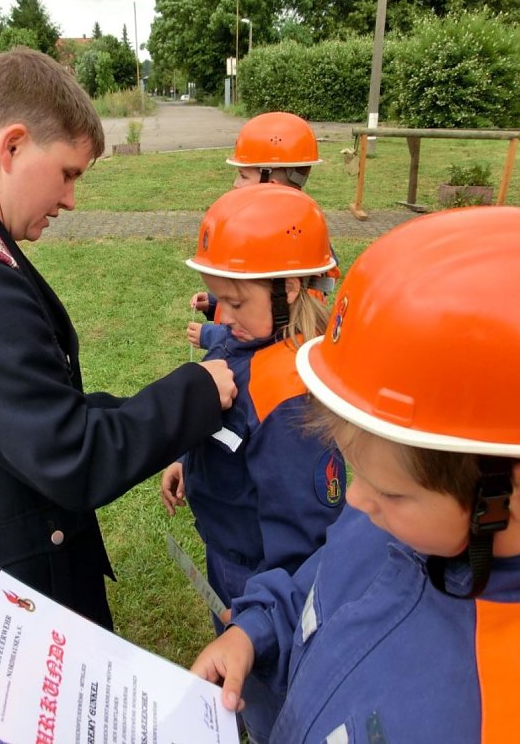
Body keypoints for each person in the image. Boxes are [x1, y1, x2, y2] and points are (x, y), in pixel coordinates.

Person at [0, 47, 236, 713]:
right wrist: (197, 392)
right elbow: (70, 452)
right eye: (67, 173)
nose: (72, 198)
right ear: (11, 147)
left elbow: (30, 408)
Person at [191, 206, 520, 744]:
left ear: (502, 495)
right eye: (354, 470)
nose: (356, 500)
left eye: (390, 490)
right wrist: (253, 632)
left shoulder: (488, 714)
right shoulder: (390, 521)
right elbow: (319, 580)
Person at [161, 184, 347, 743]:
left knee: (265, 690)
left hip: (264, 576)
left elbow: (304, 548)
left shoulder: (290, 402)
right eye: (218, 299)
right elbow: (226, 418)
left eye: (236, 302)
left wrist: (260, 624)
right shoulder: (249, 338)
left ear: (291, 288)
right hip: (228, 556)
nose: (226, 315)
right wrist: (187, 460)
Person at [191, 112, 336, 323]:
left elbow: (267, 326)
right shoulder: (279, 227)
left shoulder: (288, 239)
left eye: (243, 175)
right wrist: (216, 304)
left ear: (270, 181)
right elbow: (253, 292)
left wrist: (213, 336)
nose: (235, 184)